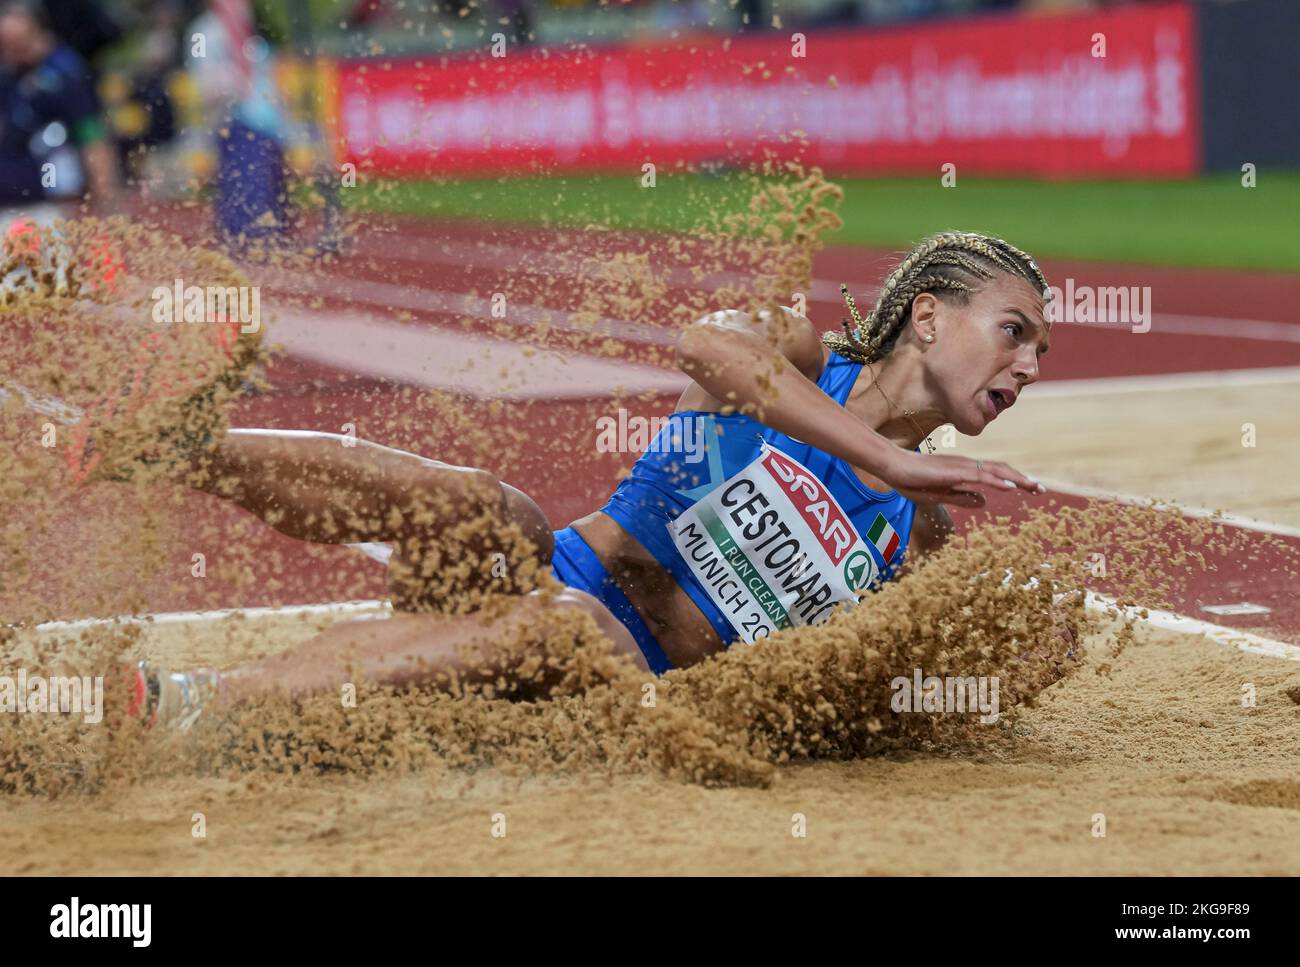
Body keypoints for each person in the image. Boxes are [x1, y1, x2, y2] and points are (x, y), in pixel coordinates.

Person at [73, 232, 1054, 728]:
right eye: (1015, 333)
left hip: (620, 709)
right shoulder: (797, 356)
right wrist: (881, 451)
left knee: (573, 626)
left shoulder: (919, 531)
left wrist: (1006, 662)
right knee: (492, 509)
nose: (1027, 369)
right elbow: (707, 343)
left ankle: (196, 704)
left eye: (1041, 355)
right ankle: (122, 447)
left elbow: (880, 703)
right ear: (926, 315)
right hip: (535, 593)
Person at [0, 0, 119, 209]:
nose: (11, 53)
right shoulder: (10, 77)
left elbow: (92, 139)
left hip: (56, 205)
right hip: (12, 203)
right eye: (5, 46)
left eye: (18, 43)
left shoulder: (67, 75)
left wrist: (106, 201)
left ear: (39, 33)